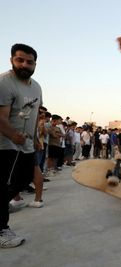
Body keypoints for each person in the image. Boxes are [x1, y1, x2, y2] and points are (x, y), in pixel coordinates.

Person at [0, 44, 42, 248]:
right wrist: (12, 135)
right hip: (5, 145)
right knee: (5, 185)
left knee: (24, 179)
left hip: (25, 145)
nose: (25, 64)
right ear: (11, 60)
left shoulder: (36, 86)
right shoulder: (4, 82)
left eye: (29, 61)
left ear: (35, 64)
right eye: (20, 60)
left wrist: (35, 138)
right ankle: (1, 231)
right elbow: (0, 118)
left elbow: (34, 115)